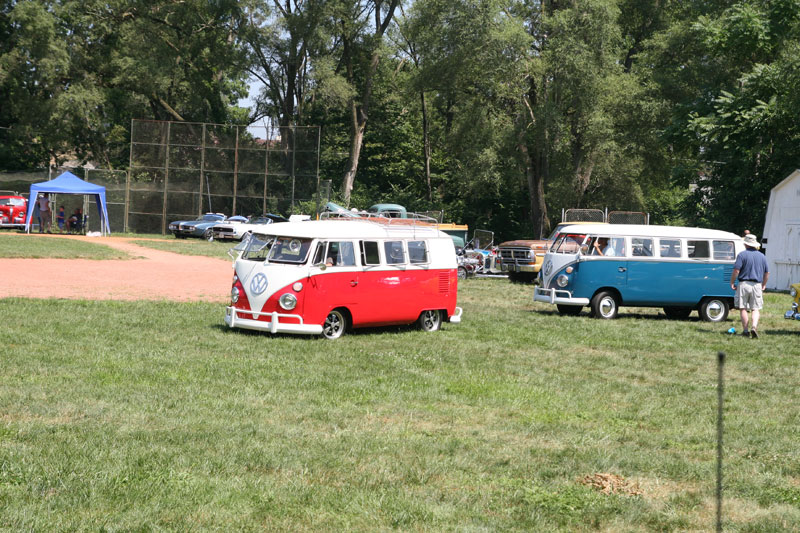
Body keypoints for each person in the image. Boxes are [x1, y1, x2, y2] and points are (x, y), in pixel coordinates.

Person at [730, 233, 769, 338]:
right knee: (755, 309)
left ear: (746, 244)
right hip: (757, 284)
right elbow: (767, 273)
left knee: (743, 308)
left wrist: (732, 282)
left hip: (744, 283)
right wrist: (764, 285)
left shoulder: (742, 255)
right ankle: (754, 327)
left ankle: (746, 330)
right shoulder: (762, 256)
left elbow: (736, 270)